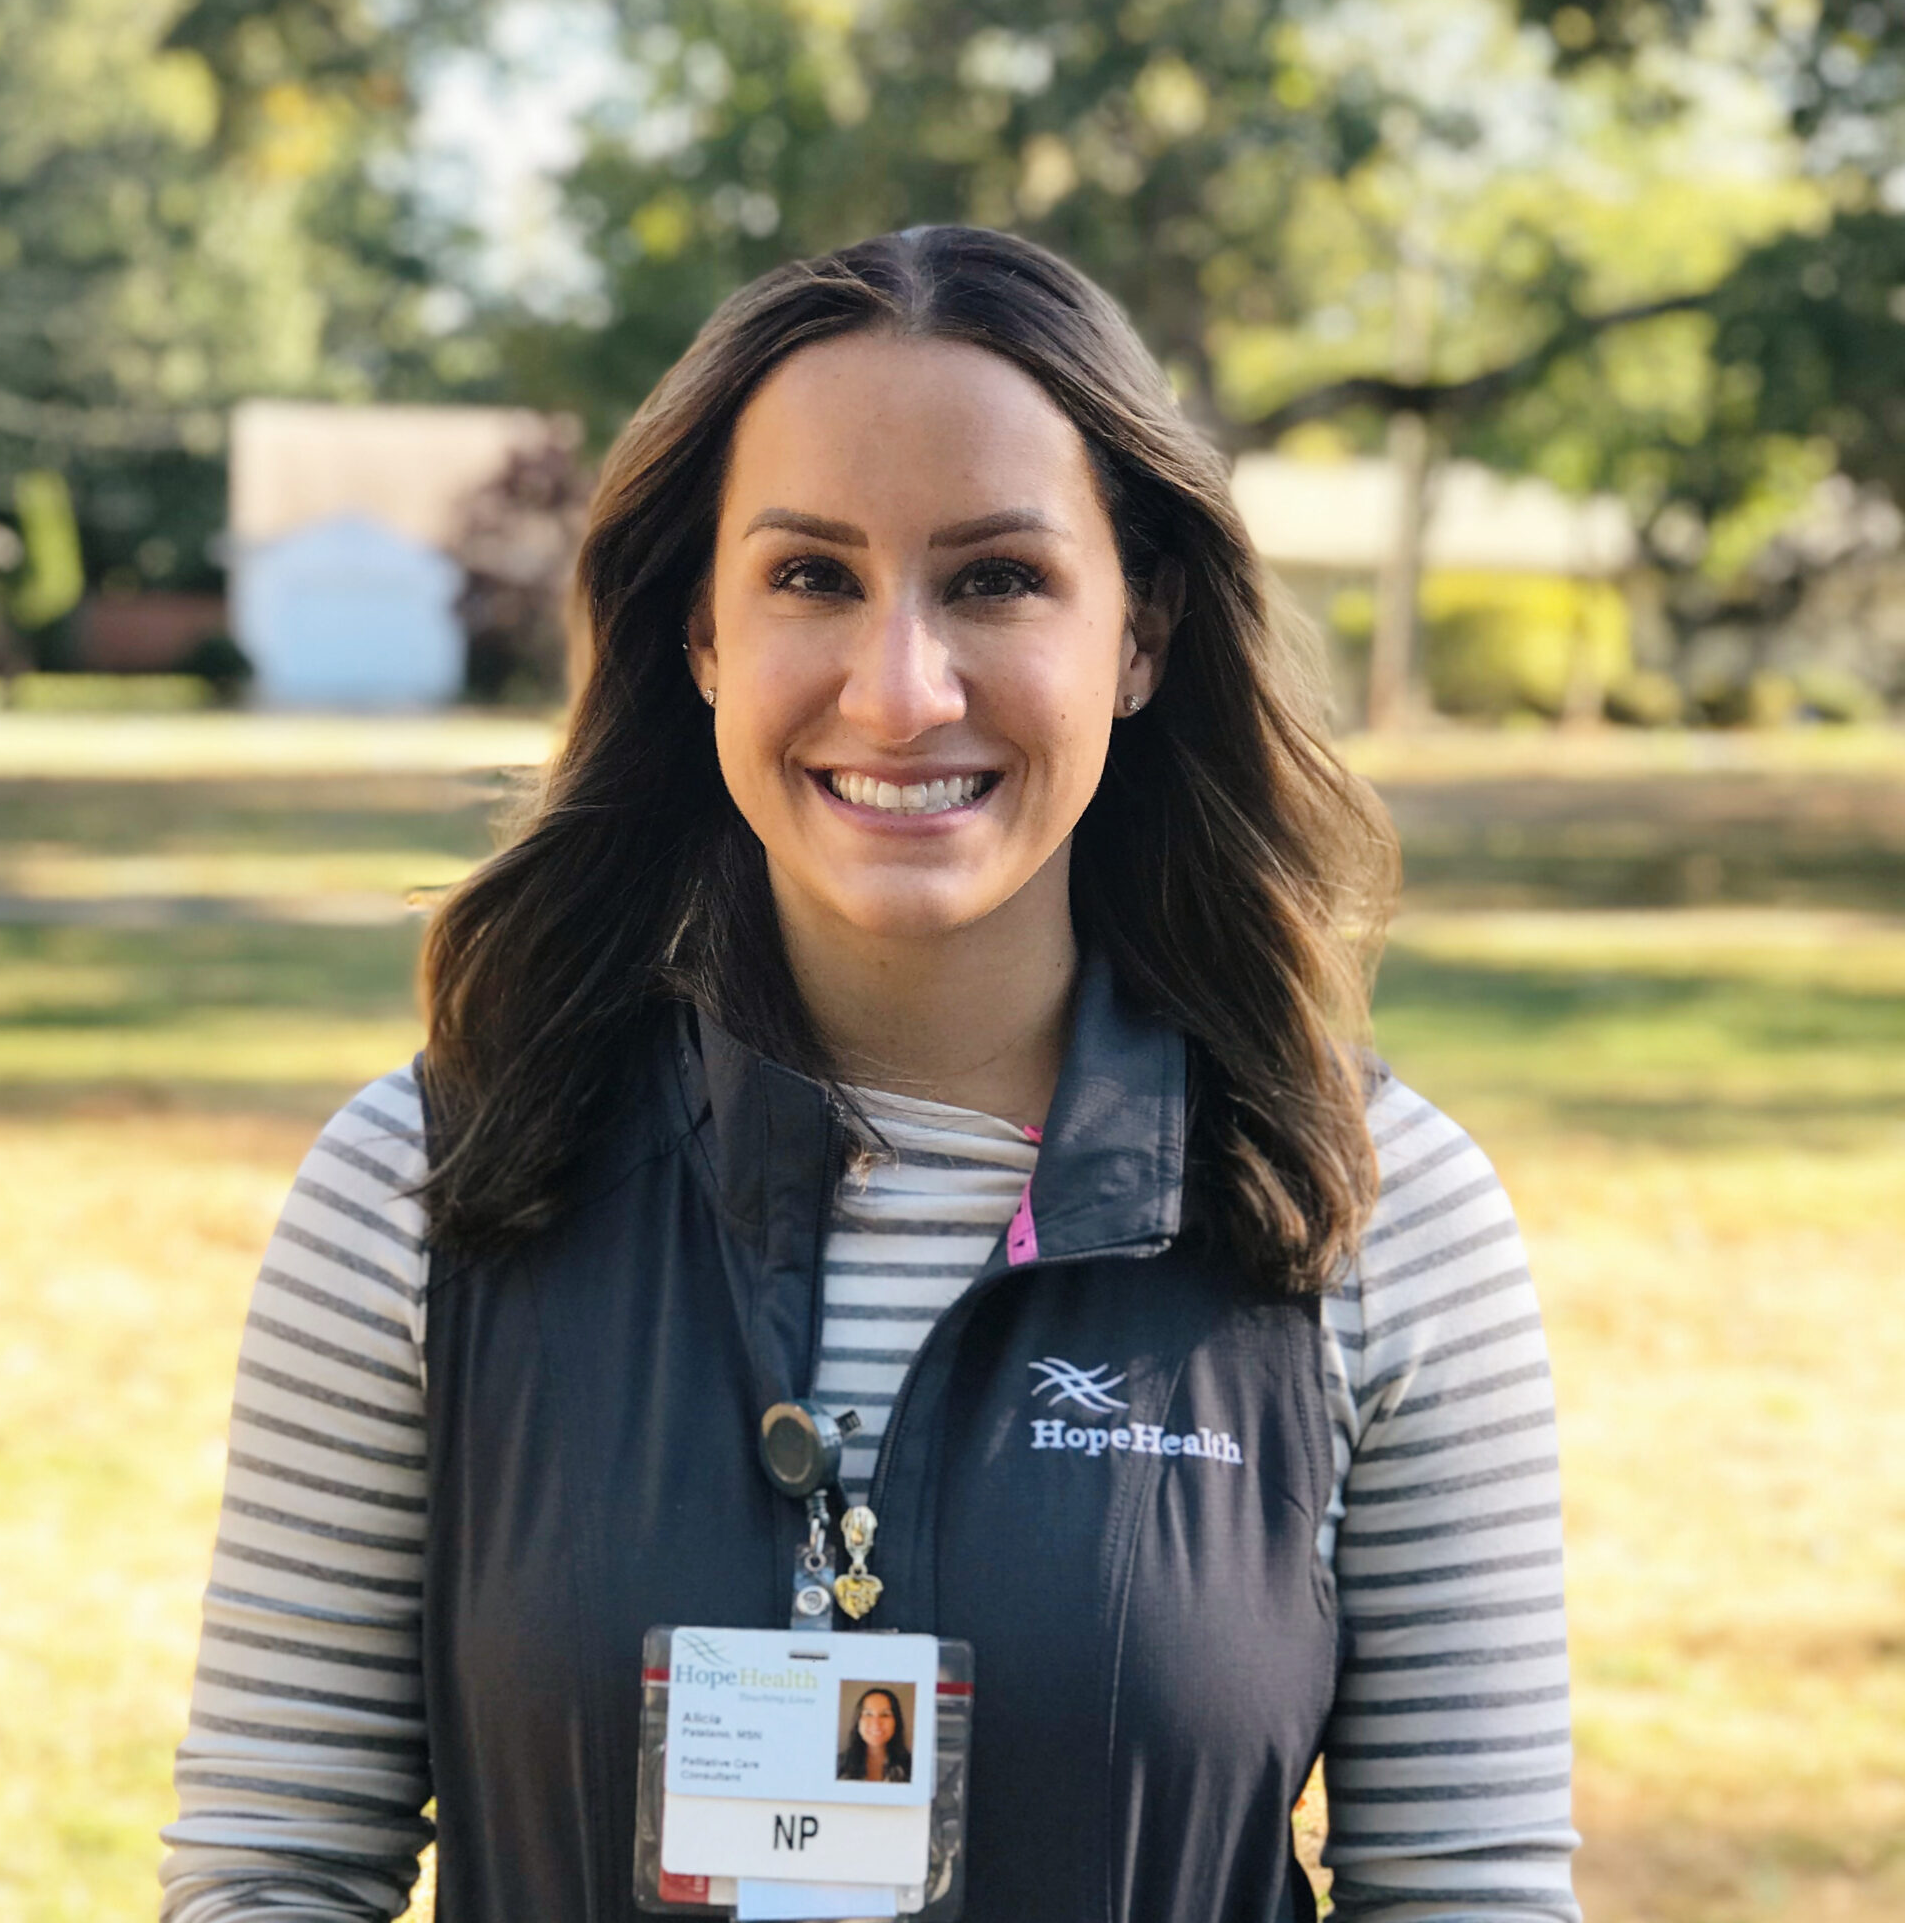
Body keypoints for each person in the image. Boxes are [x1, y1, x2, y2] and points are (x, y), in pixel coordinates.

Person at [161, 226, 1579, 1923]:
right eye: (809, 578)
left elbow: (1467, 1895)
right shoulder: (421, 1189)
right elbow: (270, 1878)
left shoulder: (1371, 1217)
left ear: (1140, 633)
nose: (898, 692)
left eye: (995, 579)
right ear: (696, 631)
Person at [837, 1687, 913, 1784]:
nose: (876, 1723)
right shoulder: (838, 1766)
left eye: (885, 1715)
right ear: (858, 1721)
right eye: (868, 1714)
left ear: (896, 1722)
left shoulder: (913, 1768)